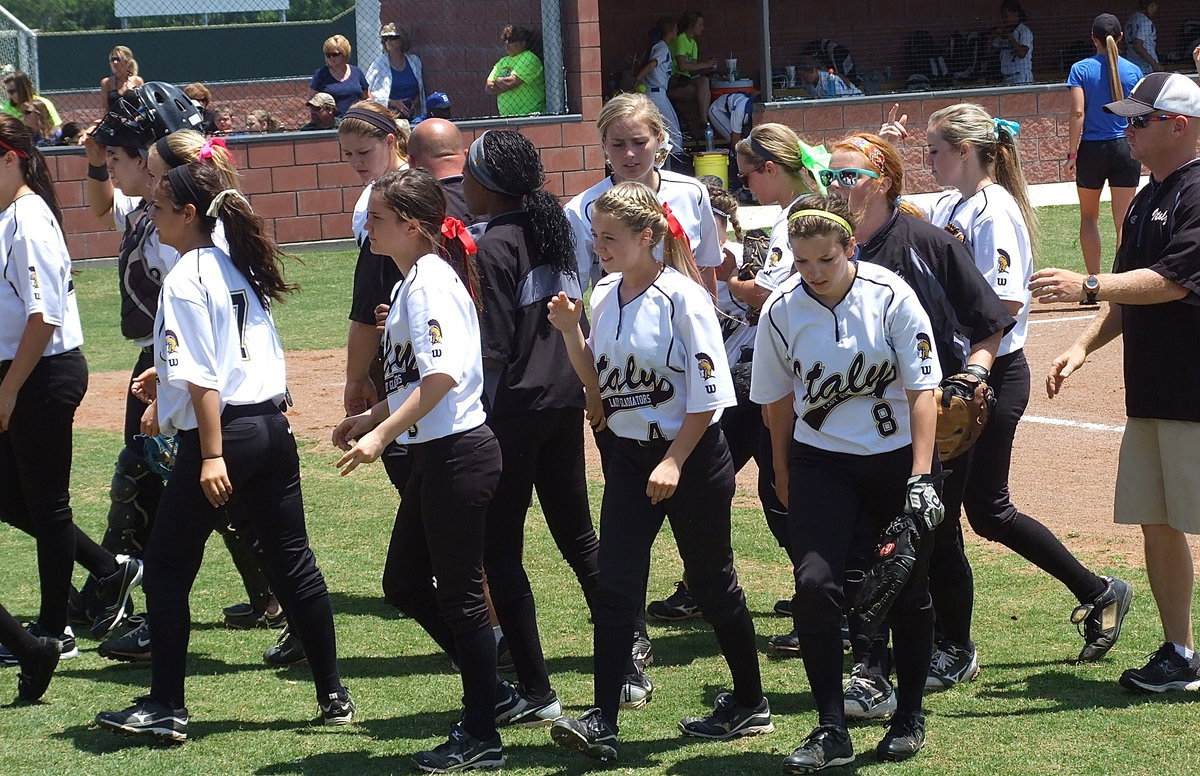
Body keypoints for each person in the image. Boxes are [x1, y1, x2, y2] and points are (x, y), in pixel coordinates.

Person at [96, 161, 353, 743]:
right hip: (270, 428)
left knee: (164, 571)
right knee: (293, 561)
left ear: (189, 214)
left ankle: (166, 705)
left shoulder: (187, 275)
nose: (150, 217)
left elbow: (208, 379)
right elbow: (234, 359)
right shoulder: (235, 266)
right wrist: (164, 382)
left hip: (227, 438)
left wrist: (210, 454)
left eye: (160, 208)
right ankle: (333, 691)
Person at [547, 180, 770, 763]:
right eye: (595, 236)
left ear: (648, 238)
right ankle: (602, 720)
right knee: (617, 585)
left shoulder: (684, 297)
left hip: (691, 457)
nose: (598, 247)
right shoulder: (602, 293)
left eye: (610, 238)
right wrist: (571, 333)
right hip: (628, 457)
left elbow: (711, 395)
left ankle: (751, 701)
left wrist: (674, 459)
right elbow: (596, 386)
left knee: (713, 584)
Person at [918, 103, 1130, 684]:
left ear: (964, 151)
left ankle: (952, 646)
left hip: (991, 376)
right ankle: (1098, 590)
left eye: (934, 150)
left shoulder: (995, 210)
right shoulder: (951, 204)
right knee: (982, 512)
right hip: (964, 372)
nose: (927, 160)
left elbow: (1006, 304)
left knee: (961, 512)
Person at [821, 132, 1012, 722]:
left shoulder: (925, 240)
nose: (835, 186)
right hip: (864, 419)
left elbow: (990, 321)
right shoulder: (834, 248)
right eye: (830, 175)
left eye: (847, 176)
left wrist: (971, 377)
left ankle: (954, 646)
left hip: (933, 413)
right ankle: (872, 664)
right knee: (867, 541)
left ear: (880, 179)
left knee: (929, 535)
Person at [754, 194, 943, 771]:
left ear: (849, 249)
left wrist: (920, 476)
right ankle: (830, 726)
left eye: (825, 260)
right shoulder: (782, 310)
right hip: (821, 462)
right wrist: (783, 471)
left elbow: (922, 391)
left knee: (906, 587)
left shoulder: (890, 296)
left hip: (893, 461)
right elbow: (777, 402)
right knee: (814, 584)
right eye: (802, 260)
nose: (813, 272)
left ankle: (908, 715)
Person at [1033, 71, 1200, 693]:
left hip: (1194, 394)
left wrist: (1089, 285)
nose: (1124, 129)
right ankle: (1181, 653)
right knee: (1160, 522)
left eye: (1138, 120)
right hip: (1156, 393)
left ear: (1178, 126)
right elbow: (1134, 293)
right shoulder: (1151, 197)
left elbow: (1174, 281)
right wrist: (1082, 343)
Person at [333, 167, 502, 772]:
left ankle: (483, 730)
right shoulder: (411, 281)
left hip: (458, 453)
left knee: (460, 598)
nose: (366, 227)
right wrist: (369, 416)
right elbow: (412, 377)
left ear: (411, 225)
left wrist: (381, 433)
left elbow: (441, 379)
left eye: (376, 219)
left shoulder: (429, 283)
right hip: (437, 452)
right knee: (404, 582)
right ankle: (493, 689)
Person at [97, 130, 281, 663]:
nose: (151, 188)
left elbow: (212, 353)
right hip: (212, 387)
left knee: (193, 511)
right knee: (239, 513)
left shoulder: (203, 252)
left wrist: (174, 402)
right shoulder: (207, 240)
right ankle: (295, 629)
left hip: (220, 403)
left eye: (157, 175)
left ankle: (159, 624)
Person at [463, 128, 600, 727]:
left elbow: (493, 349)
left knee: (500, 550)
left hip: (514, 411)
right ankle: (626, 665)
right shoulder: (554, 230)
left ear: (487, 186)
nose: (461, 184)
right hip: (565, 400)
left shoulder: (493, 245)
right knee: (579, 538)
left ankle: (537, 689)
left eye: (468, 174)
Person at [0, 114, 91, 665]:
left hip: (41, 374)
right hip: (21, 372)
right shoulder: (9, 214)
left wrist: (10, 388)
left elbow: (44, 316)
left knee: (47, 504)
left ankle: (56, 630)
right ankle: (108, 568)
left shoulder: (29, 219)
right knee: (14, 496)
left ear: (11, 158)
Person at [564, 93, 722, 298]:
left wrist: (710, 323)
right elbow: (573, 292)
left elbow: (705, 268)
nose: (629, 153)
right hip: (621, 326)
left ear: (659, 138)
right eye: (618, 144)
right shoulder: (581, 209)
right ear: (604, 143)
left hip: (683, 325)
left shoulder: (691, 192)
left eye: (639, 142)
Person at [1066, 14, 1144, 278]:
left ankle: (1094, 282)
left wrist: (1072, 153)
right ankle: (1120, 281)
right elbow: (1139, 114)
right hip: (1125, 148)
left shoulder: (1081, 69)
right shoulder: (1133, 71)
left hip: (1092, 151)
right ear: (1121, 37)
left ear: (1093, 39)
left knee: (1089, 217)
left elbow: (1078, 114)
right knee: (1124, 220)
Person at [635, 18, 684, 158]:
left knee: (667, 131)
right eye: (675, 30)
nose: (677, 32)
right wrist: (639, 78)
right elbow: (652, 64)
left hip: (658, 93)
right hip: (656, 93)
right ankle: (674, 164)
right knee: (673, 132)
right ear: (670, 31)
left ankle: (664, 161)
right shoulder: (662, 47)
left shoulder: (660, 46)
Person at [365, 22, 426, 120]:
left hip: (412, 114)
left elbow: (421, 89)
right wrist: (393, 103)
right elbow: (367, 91)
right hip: (389, 115)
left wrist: (416, 102)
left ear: (402, 39)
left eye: (392, 38)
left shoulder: (414, 61)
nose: (388, 41)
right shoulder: (379, 63)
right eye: (385, 38)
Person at [485, 25, 545, 116]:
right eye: (505, 40)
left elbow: (512, 82)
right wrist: (504, 83)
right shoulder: (503, 61)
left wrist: (497, 81)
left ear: (523, 42)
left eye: (511, 40)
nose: (507, 43)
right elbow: (489, 87)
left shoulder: (529, 58)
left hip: (530, 115)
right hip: (506, 118)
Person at [668, 11, 716, 124]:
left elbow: (693, 68)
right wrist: (706, 64)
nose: (702, 28)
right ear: (691, 25)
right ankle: (703, 120)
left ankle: (703, 121)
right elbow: (682, 66)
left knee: (705, 86)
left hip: (686, 79)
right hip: (674, 80)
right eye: (700, 25)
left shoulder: (693, 43)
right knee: (703, 91)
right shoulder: (681, 39)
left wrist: (709, 68)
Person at [310, 34, 370, 117]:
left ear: (344, 54)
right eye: (328, 55)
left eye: (334, 54)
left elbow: (366, 97)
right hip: (332, 123)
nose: (331, 58)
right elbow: (312, 101)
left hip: (355, 120)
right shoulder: (320, 74)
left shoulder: (357, 72)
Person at [993, 0, 1033, 85]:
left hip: (1021, 77)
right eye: (1002, 16)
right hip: (1006, 77)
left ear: (1016, 14)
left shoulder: (1024, 31)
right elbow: (989, 52)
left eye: (1006, 16)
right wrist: (992, 36)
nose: (1004, 19)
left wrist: (1009, 37)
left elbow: (1022, 53)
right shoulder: (1003, 31)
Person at [100, 46, 144, 114]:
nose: (115, 62)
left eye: (118, 59)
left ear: (127, 62)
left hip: (135, 122)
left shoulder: (138, 81)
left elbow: (143, 105)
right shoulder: (106, 82)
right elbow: (105, 108)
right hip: (114, 122)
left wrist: (138, 119)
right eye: (113, 59)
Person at [794, 56, 863, 99]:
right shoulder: (809, 84)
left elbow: (840, 102)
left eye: (805, 78)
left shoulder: (831, 80)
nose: (803, 80)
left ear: (813, 71)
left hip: (857, 103)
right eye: (801, 78)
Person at [1125, 1, 1161, 76]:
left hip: (1131, 63)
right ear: (1151, 5)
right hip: (1145, 68)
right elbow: (1137, 46)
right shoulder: (1145, 21)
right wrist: (1155, 65)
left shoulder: (1131, 19)